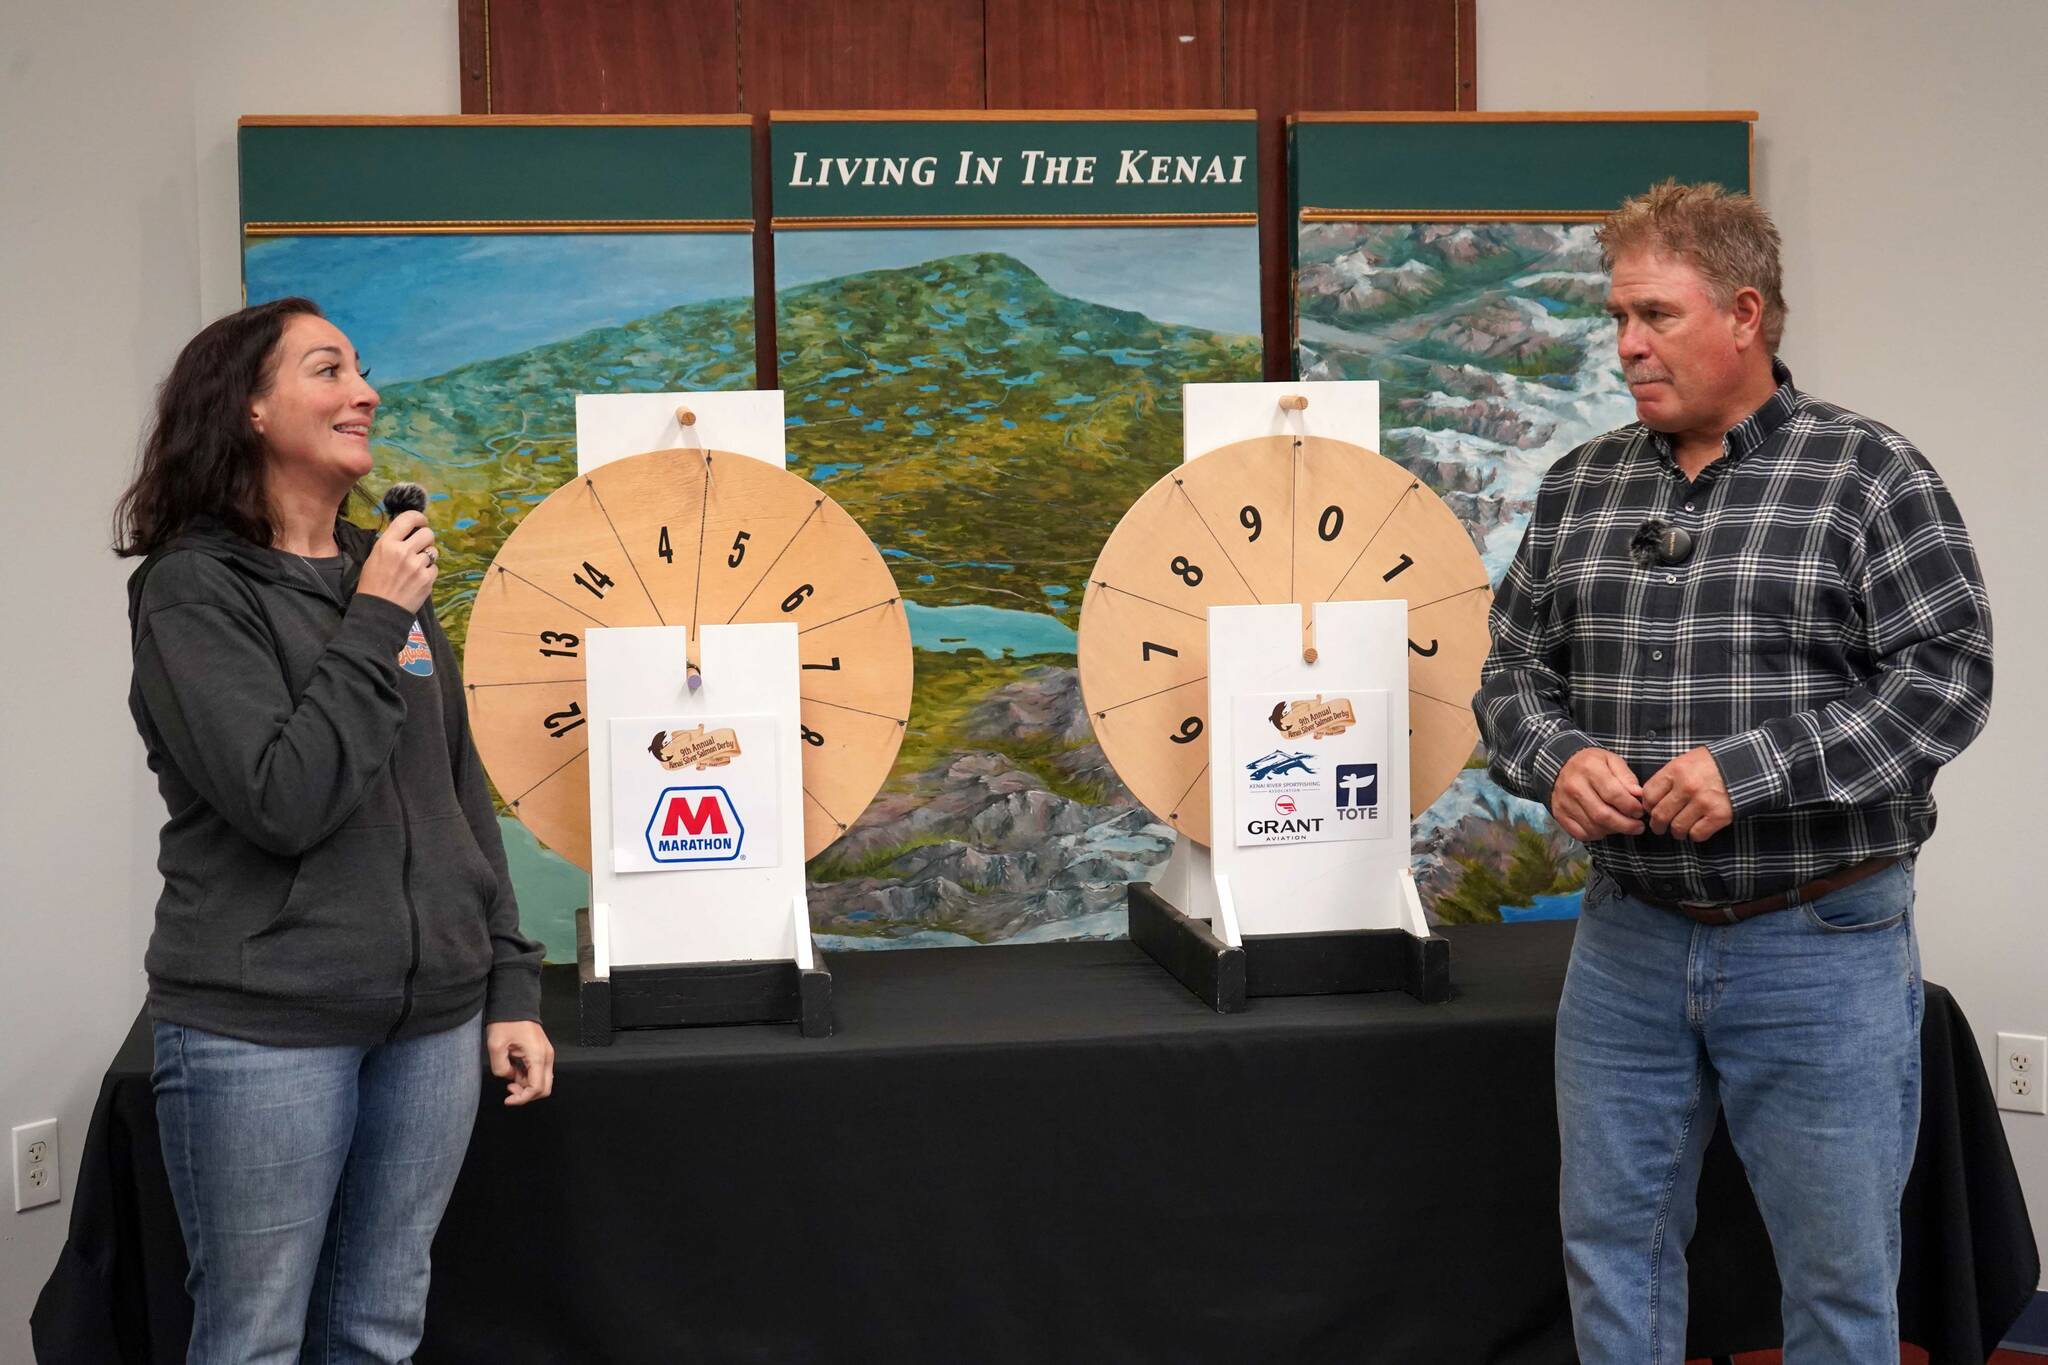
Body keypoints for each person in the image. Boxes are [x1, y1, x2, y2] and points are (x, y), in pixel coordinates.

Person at [1474, 182, 1992, 1362]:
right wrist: (1555, 760)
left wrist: (1755, 770)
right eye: (1615, 318)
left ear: (1744, 314)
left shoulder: (1869, 476)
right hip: (1626, 939)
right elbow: (1507, 682)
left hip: (1818, 941)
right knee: (1610, 1251)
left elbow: (1945, 679)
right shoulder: (1578, 486)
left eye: (1652, 315)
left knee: (1835, 1279)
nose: (1625, 347)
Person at [115, 297, 554, 1363]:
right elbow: (283, 796)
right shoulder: (192, 590)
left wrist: (507, 983)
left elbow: (457, 794)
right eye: (327, 370)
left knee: (378, 1328)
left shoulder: (384, 573)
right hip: (263, 1032)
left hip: (433, 1027)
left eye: (361, 370)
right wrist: (375, 616)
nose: (364, 392)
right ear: (251, 408)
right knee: (253, 1338)